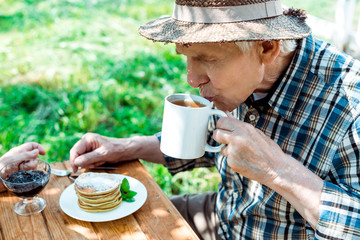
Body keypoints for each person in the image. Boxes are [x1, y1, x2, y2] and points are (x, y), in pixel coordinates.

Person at [69, 0, 360, 239]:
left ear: (267, 47)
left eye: (208, 59)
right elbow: (205, 138)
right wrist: (128, 147)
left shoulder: (351, 106)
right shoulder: (241, 78)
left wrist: (276, 170)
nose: (192, 79)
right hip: (222, 218)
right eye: (186, 56)